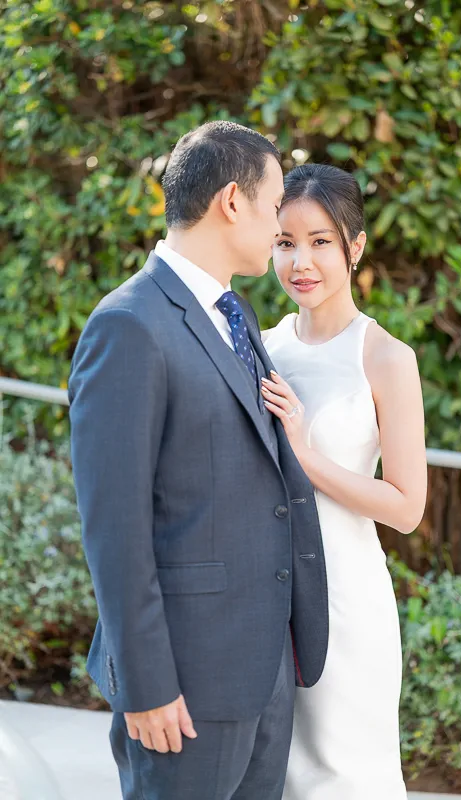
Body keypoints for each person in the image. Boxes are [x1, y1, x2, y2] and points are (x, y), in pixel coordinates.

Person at [68, 123, 329, 800]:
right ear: (233, 202)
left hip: (263, 671)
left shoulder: (235, 313)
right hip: (183, 685)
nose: (280, 227)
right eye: (276, 206)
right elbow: (114, 527)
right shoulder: (128, 324)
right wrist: (146, 683)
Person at [262, 163, 427, 799]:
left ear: (355, 246)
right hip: (266, 604)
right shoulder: (261, 347)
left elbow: (406, 507)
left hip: (345, 603)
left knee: (343, 776)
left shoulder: (386, 357)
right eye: (285, 242)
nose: (300, 262)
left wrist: (306, 456)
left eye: (320, 241)